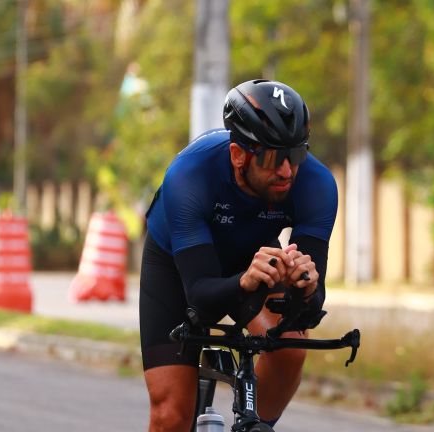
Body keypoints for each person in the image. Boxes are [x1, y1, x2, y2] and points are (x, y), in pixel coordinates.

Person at [140, 79, 338, 432]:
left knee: (290, 346)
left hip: (252, 257)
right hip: (177, 264)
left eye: (296, 155)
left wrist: (305, 289)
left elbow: (309, 310)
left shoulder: (316, 184)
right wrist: (244, 282)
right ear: (238, 155)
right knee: (171, 414)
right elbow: (200, 298)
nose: (287, 171)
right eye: (274, 158)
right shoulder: (189, 175)